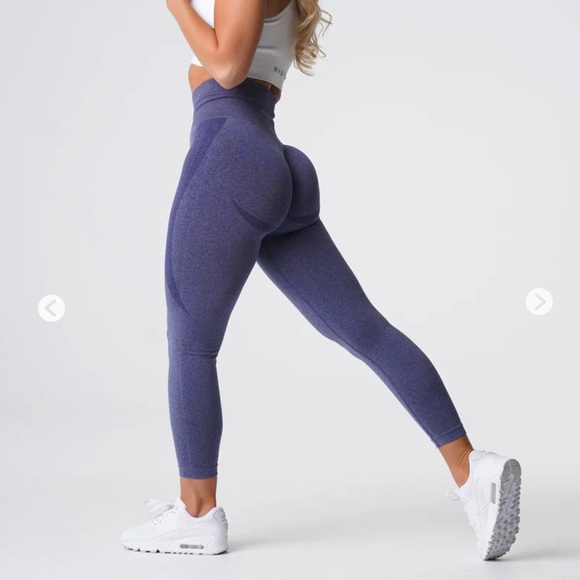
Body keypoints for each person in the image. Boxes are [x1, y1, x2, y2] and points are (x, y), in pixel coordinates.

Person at [120, 0, 522, 560]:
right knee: (368, 331)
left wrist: (175, 4)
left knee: (191, 343)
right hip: (271, 160)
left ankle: (195, 513)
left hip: (229, 155)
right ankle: (471, 470)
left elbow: (228, 69)